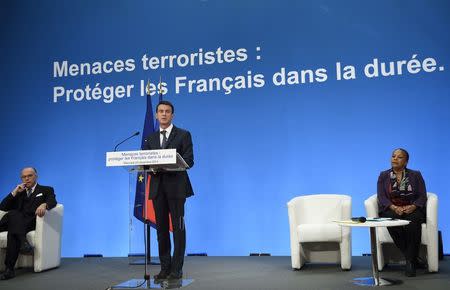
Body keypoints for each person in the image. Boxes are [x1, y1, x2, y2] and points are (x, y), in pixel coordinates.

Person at [143, 100, 194, 280]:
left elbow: (189, 160)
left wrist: (169, 163)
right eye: (161, 111)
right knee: (161, 230)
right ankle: (165, 267)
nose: (164, 114)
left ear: (172, 115)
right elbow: (144, 162)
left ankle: (176, 269)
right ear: (156, 115)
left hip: (177, 189)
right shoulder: (150, 138)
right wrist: (150, 165)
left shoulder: (183, 135)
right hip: (157, 189)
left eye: (167, 111)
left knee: (178, 229)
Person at [377, 148, 427, 277]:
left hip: (412, 208)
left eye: (399, 157)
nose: (395, 159)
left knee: (413, 222)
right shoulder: (384, 175)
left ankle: (410, 261)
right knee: (390, 220)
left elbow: (422, 196)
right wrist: (393, 207)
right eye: (393, 156)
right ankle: (412, 259)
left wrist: (413, 206)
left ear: (406, 161)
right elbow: (381, 197)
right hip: (392, 209)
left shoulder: (415, 175)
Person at [0, 167, 57, 280]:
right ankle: (23, 242)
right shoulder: (19, 192)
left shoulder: (46, 190)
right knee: (13, 216)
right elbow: (3, 206)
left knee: (13, 227)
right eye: (24, 177)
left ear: (36, 176)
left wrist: (44, 204)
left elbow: (52, 201)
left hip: (29, 222)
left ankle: (9, 269)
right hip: (11, 222)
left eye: (29, 176)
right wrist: (14, 192)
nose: (27, 179)